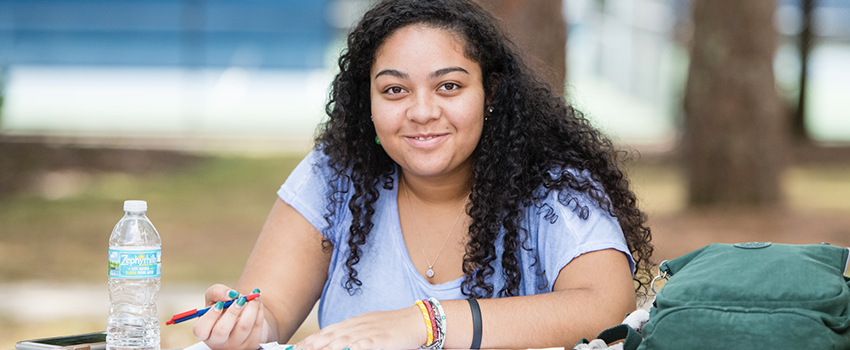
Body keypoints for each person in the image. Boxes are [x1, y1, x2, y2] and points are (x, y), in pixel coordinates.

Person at [192, 0, 653, 349]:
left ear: (490, 91)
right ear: (367, 103)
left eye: (448, 86)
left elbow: (608, 306)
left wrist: (425, 321)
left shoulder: (553, 188)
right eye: (394, 90)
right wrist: (245, 327)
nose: (422, 111)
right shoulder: (335, 176)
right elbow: (269, 311)